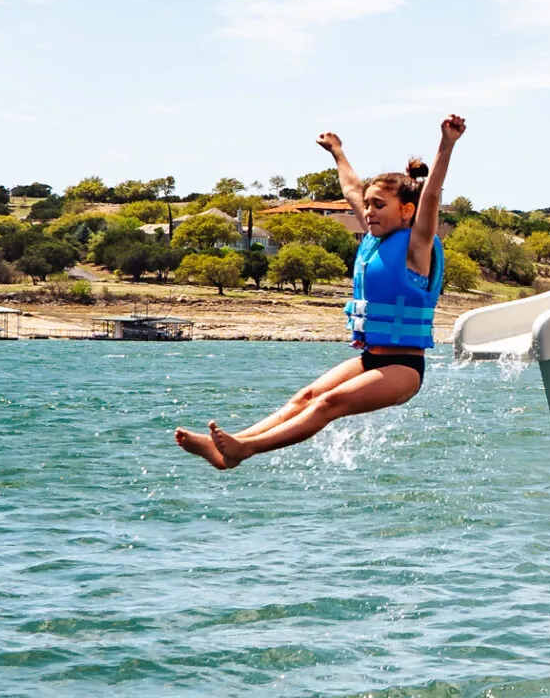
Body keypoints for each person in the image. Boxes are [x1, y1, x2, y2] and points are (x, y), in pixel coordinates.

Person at [174, 115, 466, 469]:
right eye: (368, 205)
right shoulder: (374, 239)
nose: (368, 212)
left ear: (407, 211)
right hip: (371, 358)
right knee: (307, 396)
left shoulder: (417, 246)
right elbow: (351, 189)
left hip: (403, 368)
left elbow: (431, 194)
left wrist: (446, 144)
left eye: (379, 205)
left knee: (328, 404)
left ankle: (245, 449)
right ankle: (229, 447)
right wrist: (337, 152)